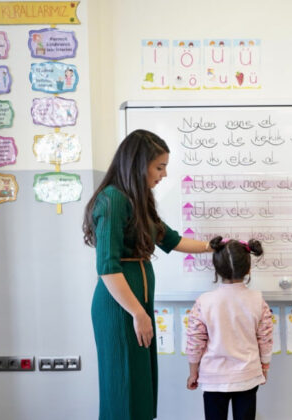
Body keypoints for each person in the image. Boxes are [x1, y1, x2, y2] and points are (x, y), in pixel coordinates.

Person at [82, 129, 212, 420]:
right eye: (159, 166)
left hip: (136, 307)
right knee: (123, 383)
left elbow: (172, 240)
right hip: (120, 308)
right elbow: (107, 268)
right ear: (138, 164)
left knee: (139, 383)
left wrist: (213, 247)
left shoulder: (138, 200)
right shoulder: (113, 200)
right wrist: (138, 314)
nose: (164, 174)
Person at [186, 236, 273, 420]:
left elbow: (195, 341)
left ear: (216, 269)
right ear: (248, 269)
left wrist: (193, 372)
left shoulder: (204, 302)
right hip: (247, 376)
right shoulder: (258, 301)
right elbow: (265, 339)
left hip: (213, 378)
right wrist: (264, 367)